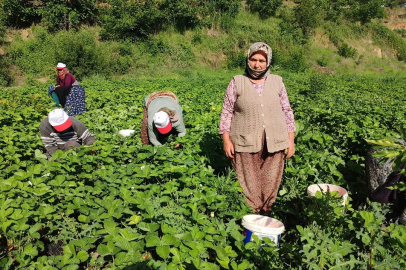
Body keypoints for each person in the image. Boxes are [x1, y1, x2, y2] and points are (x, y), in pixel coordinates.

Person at [219, 42, 296, 215]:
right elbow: (227, 111)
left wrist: (290, 141)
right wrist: (226, 140)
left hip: (276, 142)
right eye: (253, 59)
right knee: (249, 186)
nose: (257, 64)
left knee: (270, 185)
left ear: (268, 62)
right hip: (244, 142)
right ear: (248, 59)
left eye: (262, 60)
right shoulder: (237, 82)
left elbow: (287, 111)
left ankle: (266, 218)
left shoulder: (277, 82)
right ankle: (252, 221)